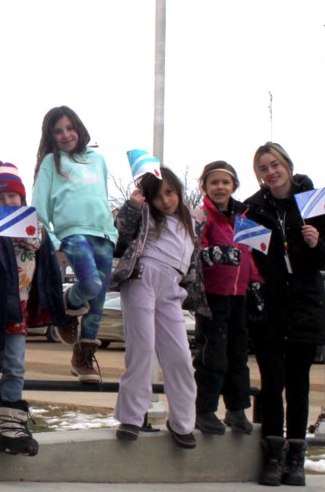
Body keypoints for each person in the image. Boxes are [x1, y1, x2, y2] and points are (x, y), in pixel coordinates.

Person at [244, 143, 325, 486]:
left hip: (304, 308)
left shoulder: (313, 200)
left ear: (287, 164)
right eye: (264, 169)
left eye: (275, 165)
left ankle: (296, 458)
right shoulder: (252, 209)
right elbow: (252, 261)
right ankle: (273, 456)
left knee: (298, 387)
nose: (271, 172)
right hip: (270, 309)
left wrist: (316, 244)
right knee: (272, 385)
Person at [0, 160, 67, 456]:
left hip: (20, 310)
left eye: (12, 196)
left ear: (22, 198)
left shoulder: (37, 230)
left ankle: (11, 427)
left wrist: (55, 304)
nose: (7, 202)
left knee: (15, 366)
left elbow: (50, 267)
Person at [112, 167, 209, 450]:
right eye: (158, 196)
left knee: (178, 355)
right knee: (141, 349)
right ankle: (131, 416)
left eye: (170, 192)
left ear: (178, 190)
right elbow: (121, 235)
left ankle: (182, 422)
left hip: (173, 288)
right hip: (143, 277)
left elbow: (195, 262)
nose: (166, 201)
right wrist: (134, 205)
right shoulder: (145, 215)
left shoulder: (193, 221)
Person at [30, 106, 117, 383]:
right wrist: (52, 238)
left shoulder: (97, 159)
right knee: (89, 284)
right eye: (58, 131)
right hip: (73, 233)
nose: (66, 135)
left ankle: (83, 357)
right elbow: (39, 206)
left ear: (78, 128)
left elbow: (102, 196)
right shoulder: (50, 163)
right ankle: (69, 303)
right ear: (51, 136)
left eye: (70, 128)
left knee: (99, 301)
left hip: (103, 235)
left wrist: (112, 232)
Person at [193, 160, 262, 436]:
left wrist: (256, 283)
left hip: (239, 296)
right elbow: (197, 248)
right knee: (213, 354)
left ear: (234, 186)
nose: (220, 187)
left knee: (238, 354)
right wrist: (213, 254)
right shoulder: (202, 217)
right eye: (214, 183)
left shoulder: (244, 218)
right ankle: (205, 409)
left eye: (225, 182)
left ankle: (236, 409)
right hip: (213, 295)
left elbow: (250, 256)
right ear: (205, 187)